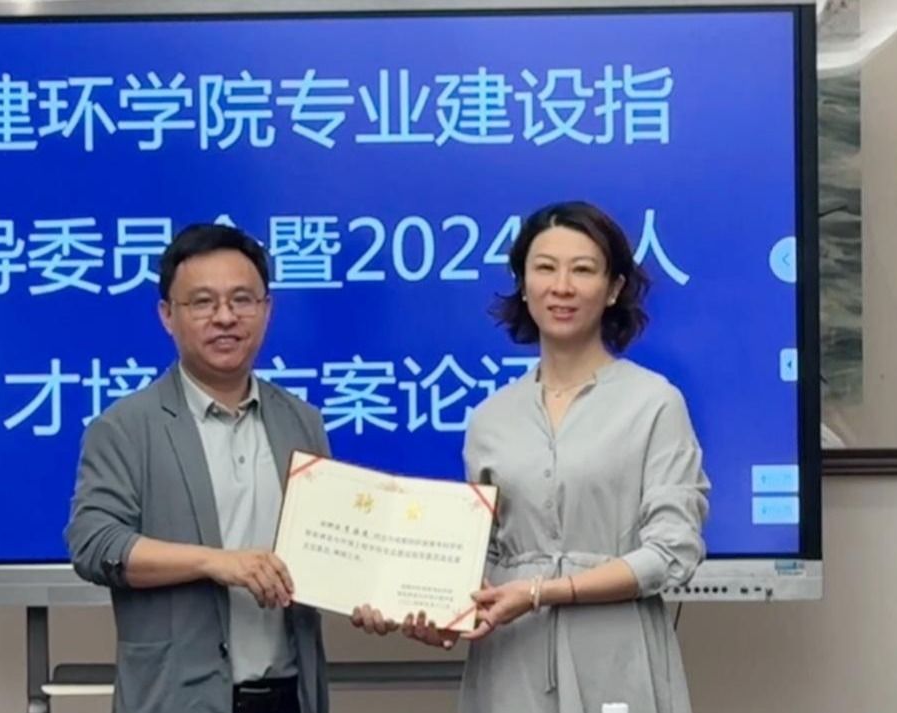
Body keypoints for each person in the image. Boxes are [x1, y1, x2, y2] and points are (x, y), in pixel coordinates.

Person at [353, 200, 710, 713]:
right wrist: (433, 607)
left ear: (613, 288)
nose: (561, 287)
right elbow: (480, 557)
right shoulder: (490, 418)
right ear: (523, 284)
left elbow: (671, 554)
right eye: (545, 268)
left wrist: (543, 591)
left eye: (582, 270)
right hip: (511, 659)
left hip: (614, 654)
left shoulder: (654, 403)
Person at [67, 223, 332, 713]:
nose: (225, 317)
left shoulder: (301, 422)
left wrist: (378, 595)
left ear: (267, 310)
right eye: (203, 302)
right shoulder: (125, 427)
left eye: (242, 300)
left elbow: (329, 551)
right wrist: (214, 561)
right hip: (177, 698)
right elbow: (94, 544)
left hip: (287, 694)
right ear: (168, 315)